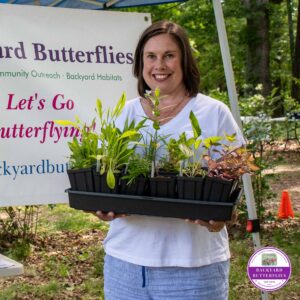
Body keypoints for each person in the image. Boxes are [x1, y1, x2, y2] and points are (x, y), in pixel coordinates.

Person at [96, 20, 244, 300]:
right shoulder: (126, 114)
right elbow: (105, 180)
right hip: (126, 266)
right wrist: (102, 208)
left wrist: (220, 218)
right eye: (151, 56)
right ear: (141, 63)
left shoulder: (213, 113)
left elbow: (232, 193)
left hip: (193, 270)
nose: (159, 65)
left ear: (184, 60)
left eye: (169, 56)